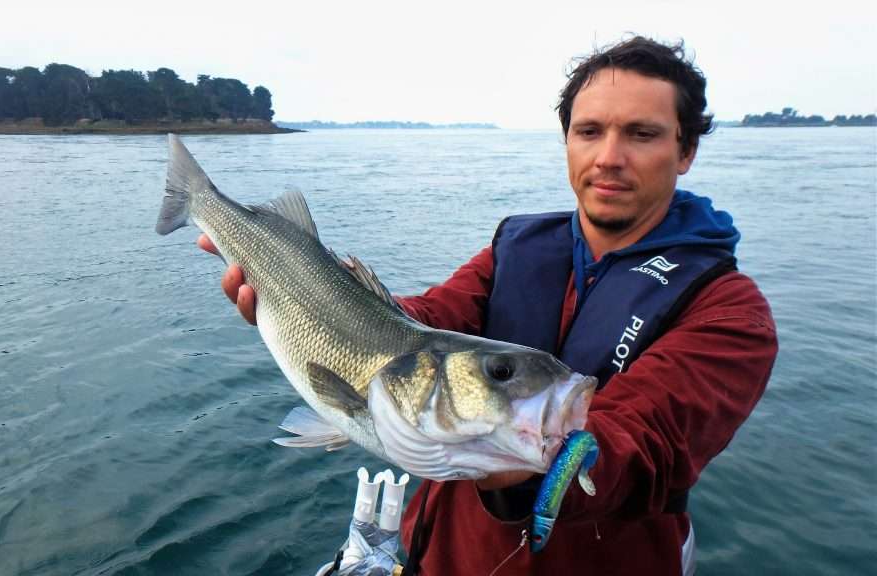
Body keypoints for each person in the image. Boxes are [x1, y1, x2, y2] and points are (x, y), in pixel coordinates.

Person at [199, 36, 777, 575]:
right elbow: (419, 324)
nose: (609, 156)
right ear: (567, 140)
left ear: (687, 149)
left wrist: (536, 462)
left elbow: (647, 440)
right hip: (447, 553)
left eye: (642, 134)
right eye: (589, 130)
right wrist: (310, 302)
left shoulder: (728, 311)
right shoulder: (516, 249)